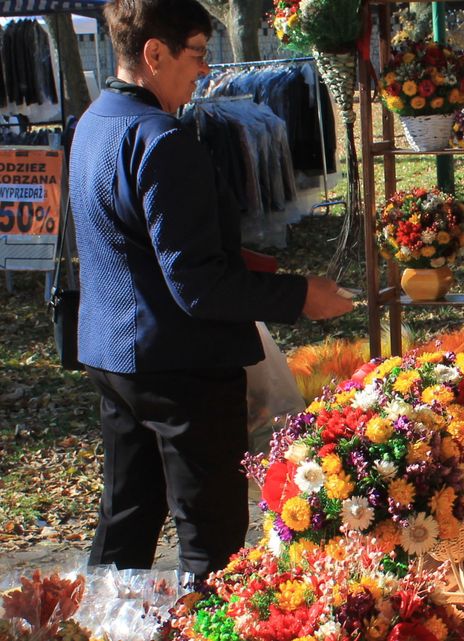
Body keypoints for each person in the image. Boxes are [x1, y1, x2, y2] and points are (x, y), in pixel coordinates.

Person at [69, 0, 353, 580]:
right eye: (196, 55)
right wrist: (302, 297)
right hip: (182, 370)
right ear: (154, 53)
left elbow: (133, 241)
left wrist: (247, 263)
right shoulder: (165, 140)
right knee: (212, 539)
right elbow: (197, 286)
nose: (203, 70)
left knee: (125, 517)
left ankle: (95, 623)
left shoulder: (94, 120)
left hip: (112, 353)